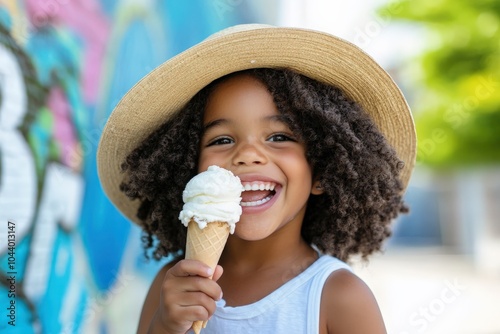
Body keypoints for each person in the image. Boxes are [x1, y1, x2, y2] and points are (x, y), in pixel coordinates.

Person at [97, 24, 416, 334]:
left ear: (322, 170)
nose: (248, 154)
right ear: (187, 171)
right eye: (222, 140)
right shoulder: (172, 285)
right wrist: (166, 327)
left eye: (279, 136)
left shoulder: (340, 297)